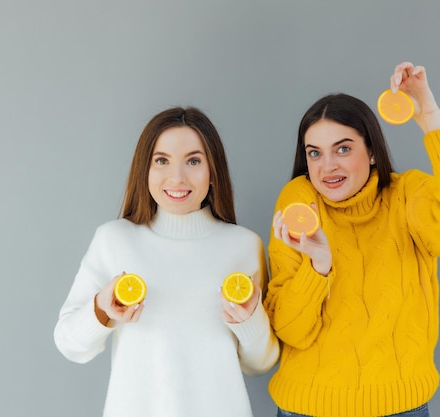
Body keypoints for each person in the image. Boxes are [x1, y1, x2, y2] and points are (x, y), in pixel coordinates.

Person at [263, 62, 440, 417]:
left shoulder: (406, 195)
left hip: (399, 407)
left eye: (342, 149)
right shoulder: (298, 200)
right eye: (314, 153)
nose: (327, 168)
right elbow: (291, 330)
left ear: (371, 152)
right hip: (306, 407)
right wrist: (319, 268)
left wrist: (428, 113)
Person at [54, 106, 279, 417]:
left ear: (213, 171)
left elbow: (260, 363)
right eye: (162, 161)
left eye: (193, 161)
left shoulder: (243, 245)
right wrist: (101, 312)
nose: (177, 177)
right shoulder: (114, 240)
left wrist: (248, 320)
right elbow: (69, 343)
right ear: (144, 169)